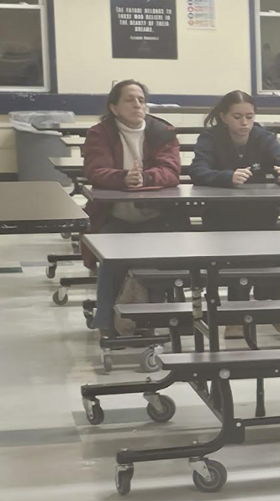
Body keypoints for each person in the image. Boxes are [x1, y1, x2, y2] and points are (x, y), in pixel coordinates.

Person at [189, 90, 280, 338]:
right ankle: (242, 313)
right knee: (234, 256)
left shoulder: (263, 137)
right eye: (237, 117)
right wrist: (226, 177)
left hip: (259, 212)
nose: (244, 123)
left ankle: (264, 310)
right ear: (223, 117)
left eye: (249, 116)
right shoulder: (210, 138)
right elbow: (197, 170)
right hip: (221, 214)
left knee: (263, 252)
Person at [82, 79, 187, 336]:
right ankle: (105, 322)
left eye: (141, 99)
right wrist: (122, 178)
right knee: (111, 261)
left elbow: (171, 171)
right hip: (114, 215)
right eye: (130, 99)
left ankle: (154, 321)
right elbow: (96, 170)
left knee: (160, 262)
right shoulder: (100, 133)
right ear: (114, 107)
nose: (138, 104)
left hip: (159, 216)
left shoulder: (163, 131)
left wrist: (145, 178)